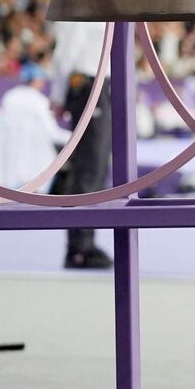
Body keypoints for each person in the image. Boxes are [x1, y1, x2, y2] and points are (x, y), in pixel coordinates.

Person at [48, 20, 112, 270]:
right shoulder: (83, 2)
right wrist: (57, 94)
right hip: (87, 84)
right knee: (89, 167)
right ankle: (79, 248)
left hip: (99, 85)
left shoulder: (98, 4)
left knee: (96, 168)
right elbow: (66, 52)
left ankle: (84, 241)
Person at [0, 62, 69, 191]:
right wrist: (75, 137)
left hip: (7, 161)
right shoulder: (39, 100)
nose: (42, 82)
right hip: (34, 161)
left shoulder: (10, 96)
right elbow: (53, 133)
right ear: (35, 80)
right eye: (40, 78)